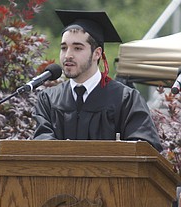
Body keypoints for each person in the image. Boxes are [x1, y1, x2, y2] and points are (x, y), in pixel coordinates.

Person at [33, 9, 162, 152]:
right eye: (64, 48)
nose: (68, 55)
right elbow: (41, 147)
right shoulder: (49, 100)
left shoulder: (126, 99)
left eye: (77, 48)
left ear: (97, 53)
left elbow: (145, 149)